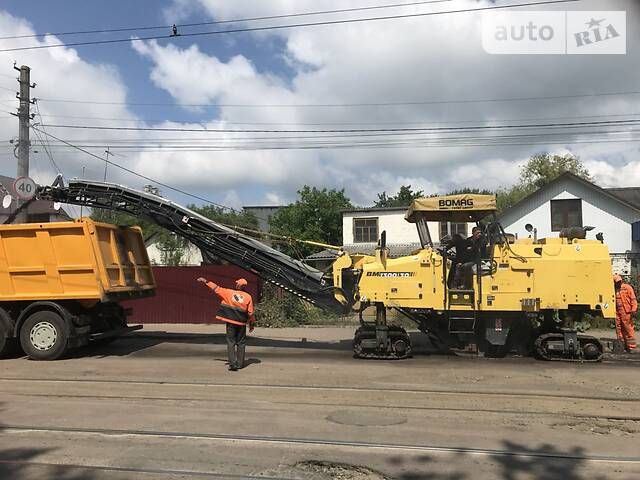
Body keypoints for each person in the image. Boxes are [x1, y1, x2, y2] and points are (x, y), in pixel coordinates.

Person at [197, 276, 256, 370]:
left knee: (231, 342)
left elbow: (216, 288)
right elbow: (251, 313)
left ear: (237, 285)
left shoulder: (229, 293)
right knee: (241, 343)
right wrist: (252, 324)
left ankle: (232, 364)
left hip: (231, 323)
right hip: (241, 324)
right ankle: (240, 364)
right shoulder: (248, 297)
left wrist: (206, 281)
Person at [613, 274, 637, 353]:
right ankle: (622, 345)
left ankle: (632, 347)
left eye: (619, 281)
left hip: (626, 311)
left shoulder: (627, 288)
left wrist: (634, 309)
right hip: (616, 311)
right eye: (616, 282)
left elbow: (633, 299)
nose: (618, 283)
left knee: (628, 329)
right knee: (618, 329)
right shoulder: (613, 289)